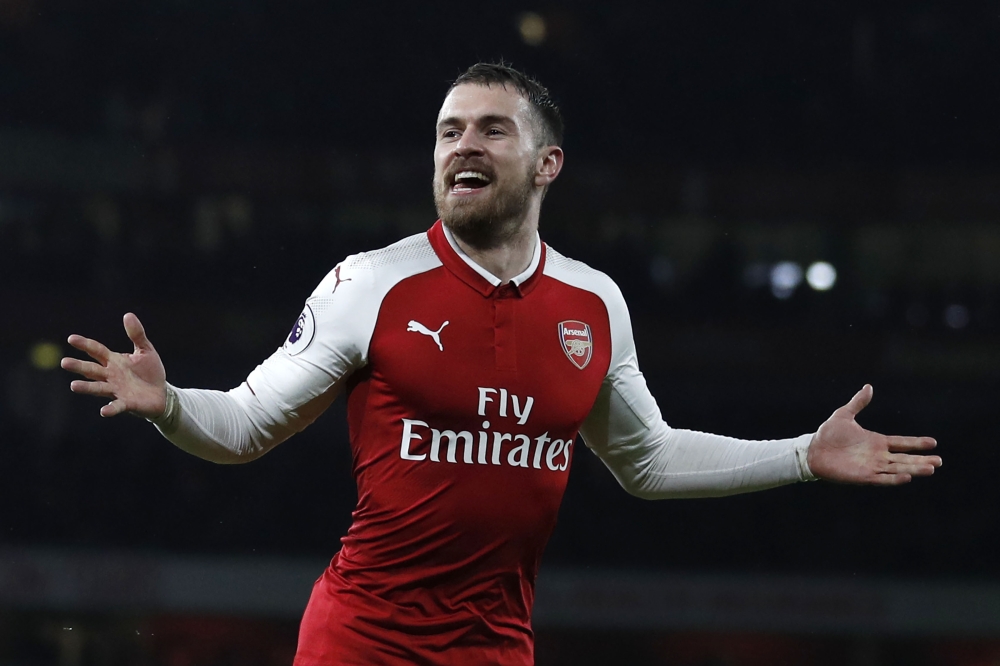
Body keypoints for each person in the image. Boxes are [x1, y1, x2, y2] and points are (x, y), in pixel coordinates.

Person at [61, 63, 941, 665]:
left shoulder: (594, 304)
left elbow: (646, 460)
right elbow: (249, 425)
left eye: (490, 129)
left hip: (495, 647)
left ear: (547, 163)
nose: (462, 146)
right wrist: (172, 401)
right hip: (361, 642)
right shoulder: (370, 283)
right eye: (447, 132)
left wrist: (800, 455)